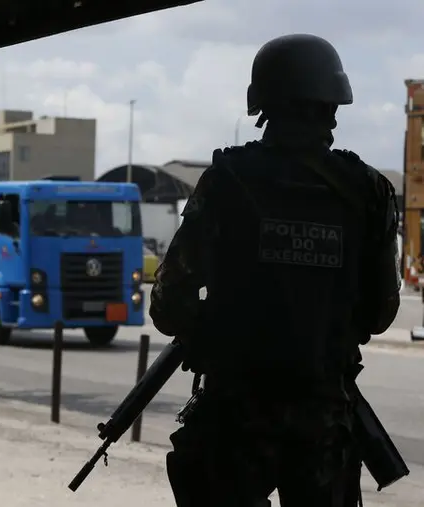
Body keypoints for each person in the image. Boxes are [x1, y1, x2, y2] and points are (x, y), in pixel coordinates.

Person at [150, 33, 400, 507]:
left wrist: (215, 334)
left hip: (235, 419)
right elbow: (379, 314)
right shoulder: (369, 191)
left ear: (263, 104)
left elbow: (168, 304)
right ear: (332, 106)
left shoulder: (226, 181)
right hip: (323, 422)